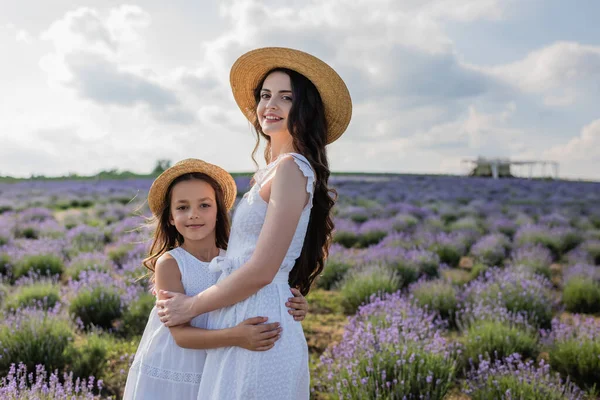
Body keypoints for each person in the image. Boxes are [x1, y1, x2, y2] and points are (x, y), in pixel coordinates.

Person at [156, 47, 352, 399]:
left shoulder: (292, 168)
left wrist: (192, 305)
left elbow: (263, 269)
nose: (270, 105)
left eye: (285, 97)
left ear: (305, 110)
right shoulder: (274, 171)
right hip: (248, 311)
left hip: (259, 318)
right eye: (265, 96)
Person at [123, 158, 309, 400]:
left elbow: (254, 286)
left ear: (219, 212)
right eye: (182, 208)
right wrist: (237, 337)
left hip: (221, 362)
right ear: (169, 217)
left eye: (204, 205)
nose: (193, 215)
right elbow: (181, 336)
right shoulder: (170, 263)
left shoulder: (233, 261)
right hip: (179, 366)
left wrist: (293, 302)